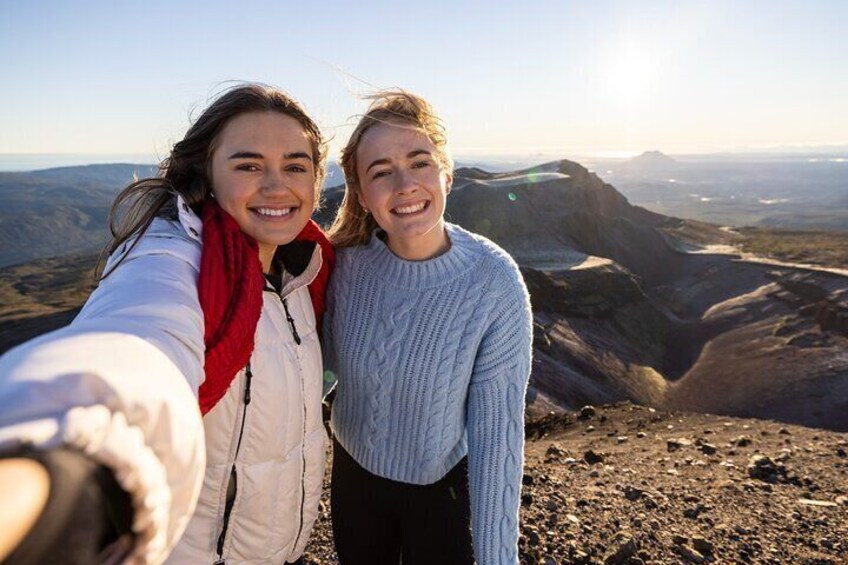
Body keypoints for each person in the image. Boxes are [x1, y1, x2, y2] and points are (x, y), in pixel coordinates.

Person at [0, 83, 333, 564]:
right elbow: (139, 339)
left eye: (295, 166)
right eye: (248, 165)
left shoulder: (306, 271)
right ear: (207, 174)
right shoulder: (174, 261)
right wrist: (59, 452)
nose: (277, 185)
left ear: (316, 181)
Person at [324, 90, 533, 565]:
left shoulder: (493, 283)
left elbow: (497, 435)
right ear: (362, 193)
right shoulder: (345, 268)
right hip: (353, 481)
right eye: (380, 172)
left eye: (419, 163)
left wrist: (498, 558)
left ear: (447, 173)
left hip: (440, 494)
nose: (404, 184)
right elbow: (313, 366)